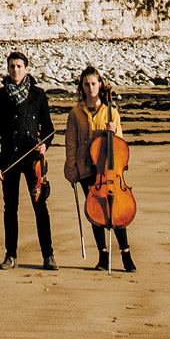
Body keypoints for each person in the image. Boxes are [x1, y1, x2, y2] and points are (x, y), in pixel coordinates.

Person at [0, 51, 57, 270]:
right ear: (7, 69)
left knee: (40, 206)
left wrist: (44, 144)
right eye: (11, 66)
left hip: (32, 159)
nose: (15, 70)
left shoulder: (38, 94)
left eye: (19, 66)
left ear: (26, 69)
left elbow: (48, 129)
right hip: (9, 159)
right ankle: (11, 255)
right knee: (10, 209)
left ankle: (48, 255)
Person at [64, 65, 137, 272]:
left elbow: (120, 145)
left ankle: (126, 255)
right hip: (86, 169)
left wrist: (113, 132)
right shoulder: (75, 113)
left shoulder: (111, 112)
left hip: (109, 170)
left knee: (117, 211)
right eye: (86, 84)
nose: (90, 88)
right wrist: (71, 169)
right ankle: (103, 257)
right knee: (95, 212)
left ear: (100, 85)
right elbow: (71, 143)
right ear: (82, 87)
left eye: (93, 84)